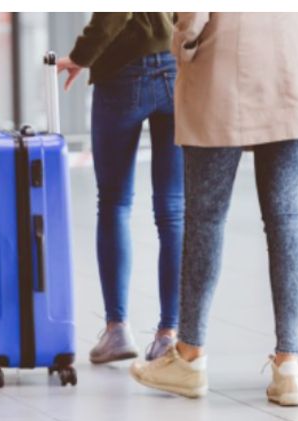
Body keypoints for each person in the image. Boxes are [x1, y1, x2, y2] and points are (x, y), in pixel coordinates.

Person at [130, 12, 298, 406]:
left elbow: (193, 16)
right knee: (287, 218)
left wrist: (183, 42)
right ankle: (289, 367)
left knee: (206, 218)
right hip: (293, 68)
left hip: (222, 69)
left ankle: (189, 357)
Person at [57, 13, 184, 363]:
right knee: (172, 210)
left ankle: (117, 330)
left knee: (114, 202)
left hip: (123, 68)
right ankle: (169, 335)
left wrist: (83, 55)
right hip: (174, 64)